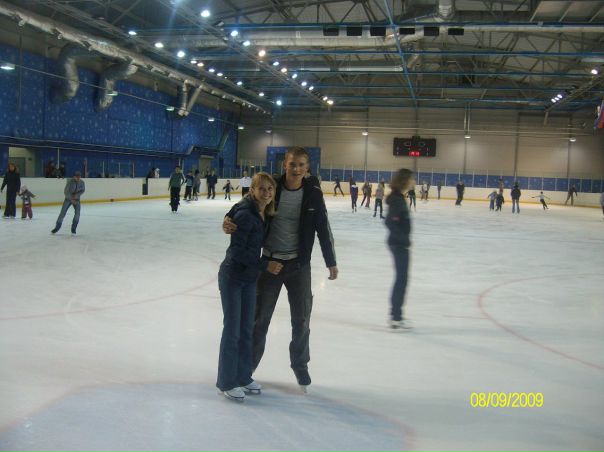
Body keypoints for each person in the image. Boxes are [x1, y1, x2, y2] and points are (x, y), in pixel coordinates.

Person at [223, 146, 338, 391]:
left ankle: (300, 365)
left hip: (299, 266)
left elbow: (322, 225)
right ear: (284, 165)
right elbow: (247, 201)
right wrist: (228, 216)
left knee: (302, 319)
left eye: (301, 165)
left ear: (307, 168)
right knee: (259, 321)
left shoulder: (313, 192)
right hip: (269, 265)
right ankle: (247, 370)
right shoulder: (272, 186)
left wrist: (331, 260)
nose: (296, 169)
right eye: (292, 164)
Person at [216, 172, 283, 402]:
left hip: (248, 278)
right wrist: (265, 265)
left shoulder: (262, 212)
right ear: (252, 190)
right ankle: (227, 382)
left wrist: (228, 215)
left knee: (246, 329)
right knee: (233, 331)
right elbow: (237, 252)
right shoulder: (246, 214)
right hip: (233, 277)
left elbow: (235, 208)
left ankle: (243, 376)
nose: (266, 193)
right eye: (261, 188)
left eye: (270, 189)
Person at [385, 169, 415, 329]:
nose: (413, 182)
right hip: (398, 244)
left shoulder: (399, 197)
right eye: (411, 179)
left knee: (401, 279)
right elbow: (390, 221)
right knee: (401, 279)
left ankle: (395, 315)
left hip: (399, 243)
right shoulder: (397, 199)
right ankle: (396, 317)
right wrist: (403, 238)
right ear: (405, 180)